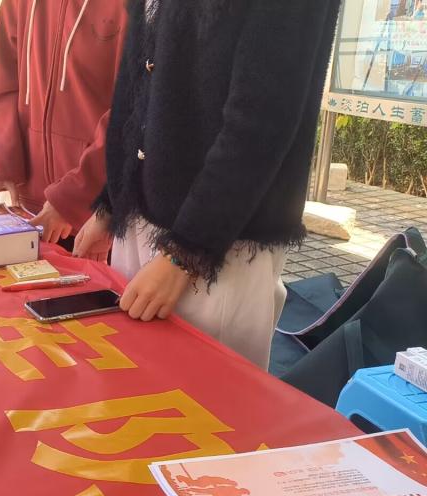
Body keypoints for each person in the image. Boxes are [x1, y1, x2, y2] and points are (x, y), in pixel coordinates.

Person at [74, 0, 343, 369]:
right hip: (140, 221)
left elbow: (262, 121)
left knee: (207, 395)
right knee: (128, 381)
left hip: (224, 243)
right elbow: (137, 81)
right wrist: (111, 202)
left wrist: (184, 253)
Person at [0, 0, 127, 247]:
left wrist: (73, 198)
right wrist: (1, 166)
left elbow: (128, 111)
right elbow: (2, 82)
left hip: (96, 213)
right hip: (27, 203)